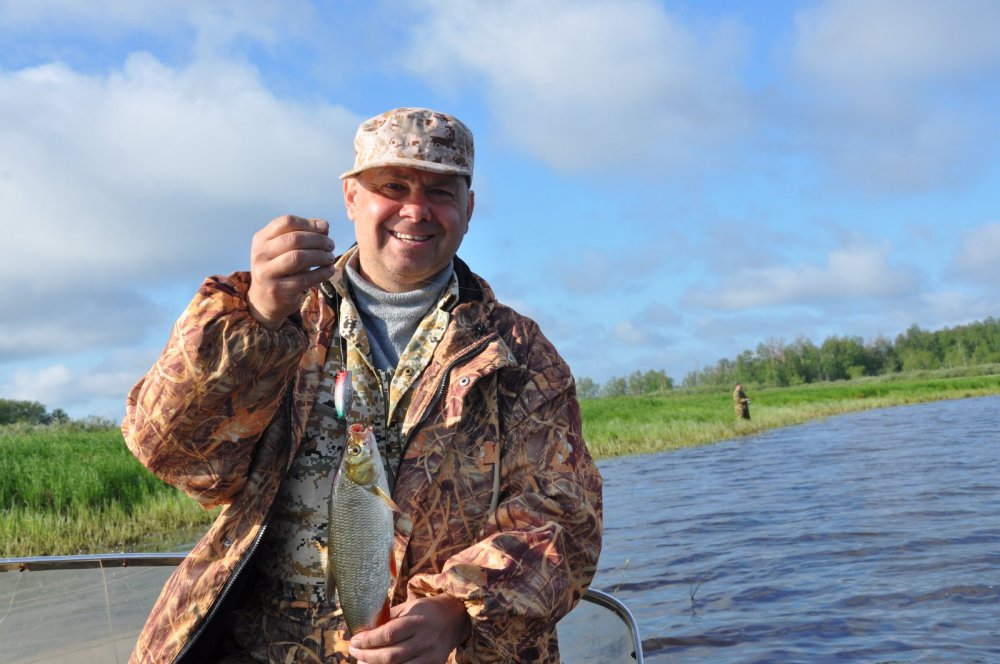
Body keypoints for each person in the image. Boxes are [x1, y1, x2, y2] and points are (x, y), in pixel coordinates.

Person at [122, 107, 603, 663]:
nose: (416, 210)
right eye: (392, 186)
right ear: (351, 197)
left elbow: (568, 524)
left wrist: (459, 612)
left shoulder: (519, 353)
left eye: (441, 192)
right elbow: (173, 455)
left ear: (468, 209)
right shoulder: (272, 317)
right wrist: (254, 320)